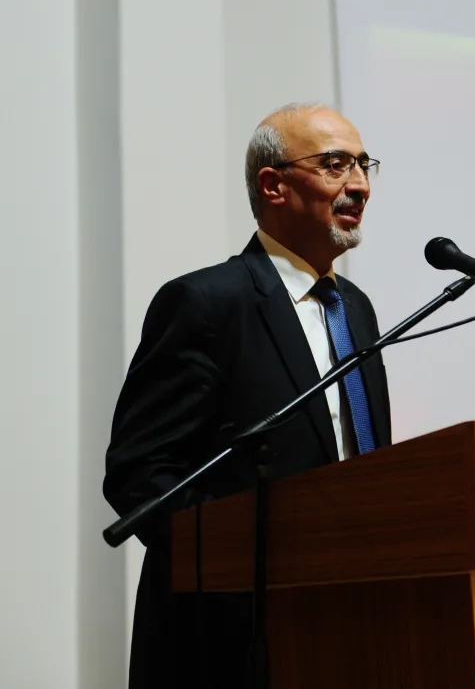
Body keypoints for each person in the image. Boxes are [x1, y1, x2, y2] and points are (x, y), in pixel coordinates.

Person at [103, 103, 392, 689]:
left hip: (351, 616)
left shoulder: (356, 309)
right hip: (229, 638)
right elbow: (141, 474)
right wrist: (248, 568)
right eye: (335, 164)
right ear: (273, 185)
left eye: (364, 165)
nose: (359, 184)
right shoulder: (208, 302)